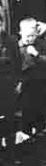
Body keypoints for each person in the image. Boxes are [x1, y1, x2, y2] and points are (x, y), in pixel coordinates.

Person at [18, 18, 46, 137]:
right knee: (26, 108)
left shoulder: (41, 45)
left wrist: (37, 55)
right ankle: (27, 131)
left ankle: (40, 129)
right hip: (25, 83)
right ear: (20, 33)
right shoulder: (17, 47)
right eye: (27, 36)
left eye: (33, 36)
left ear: (37, 33)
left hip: (41, 81)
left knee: (41, 105)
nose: (30, 39)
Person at [0, 12, 21, 154]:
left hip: (8, 84)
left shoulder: (11, 41)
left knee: (10, 116)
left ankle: (11, 147)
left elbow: (17, 63)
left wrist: (18, 82)